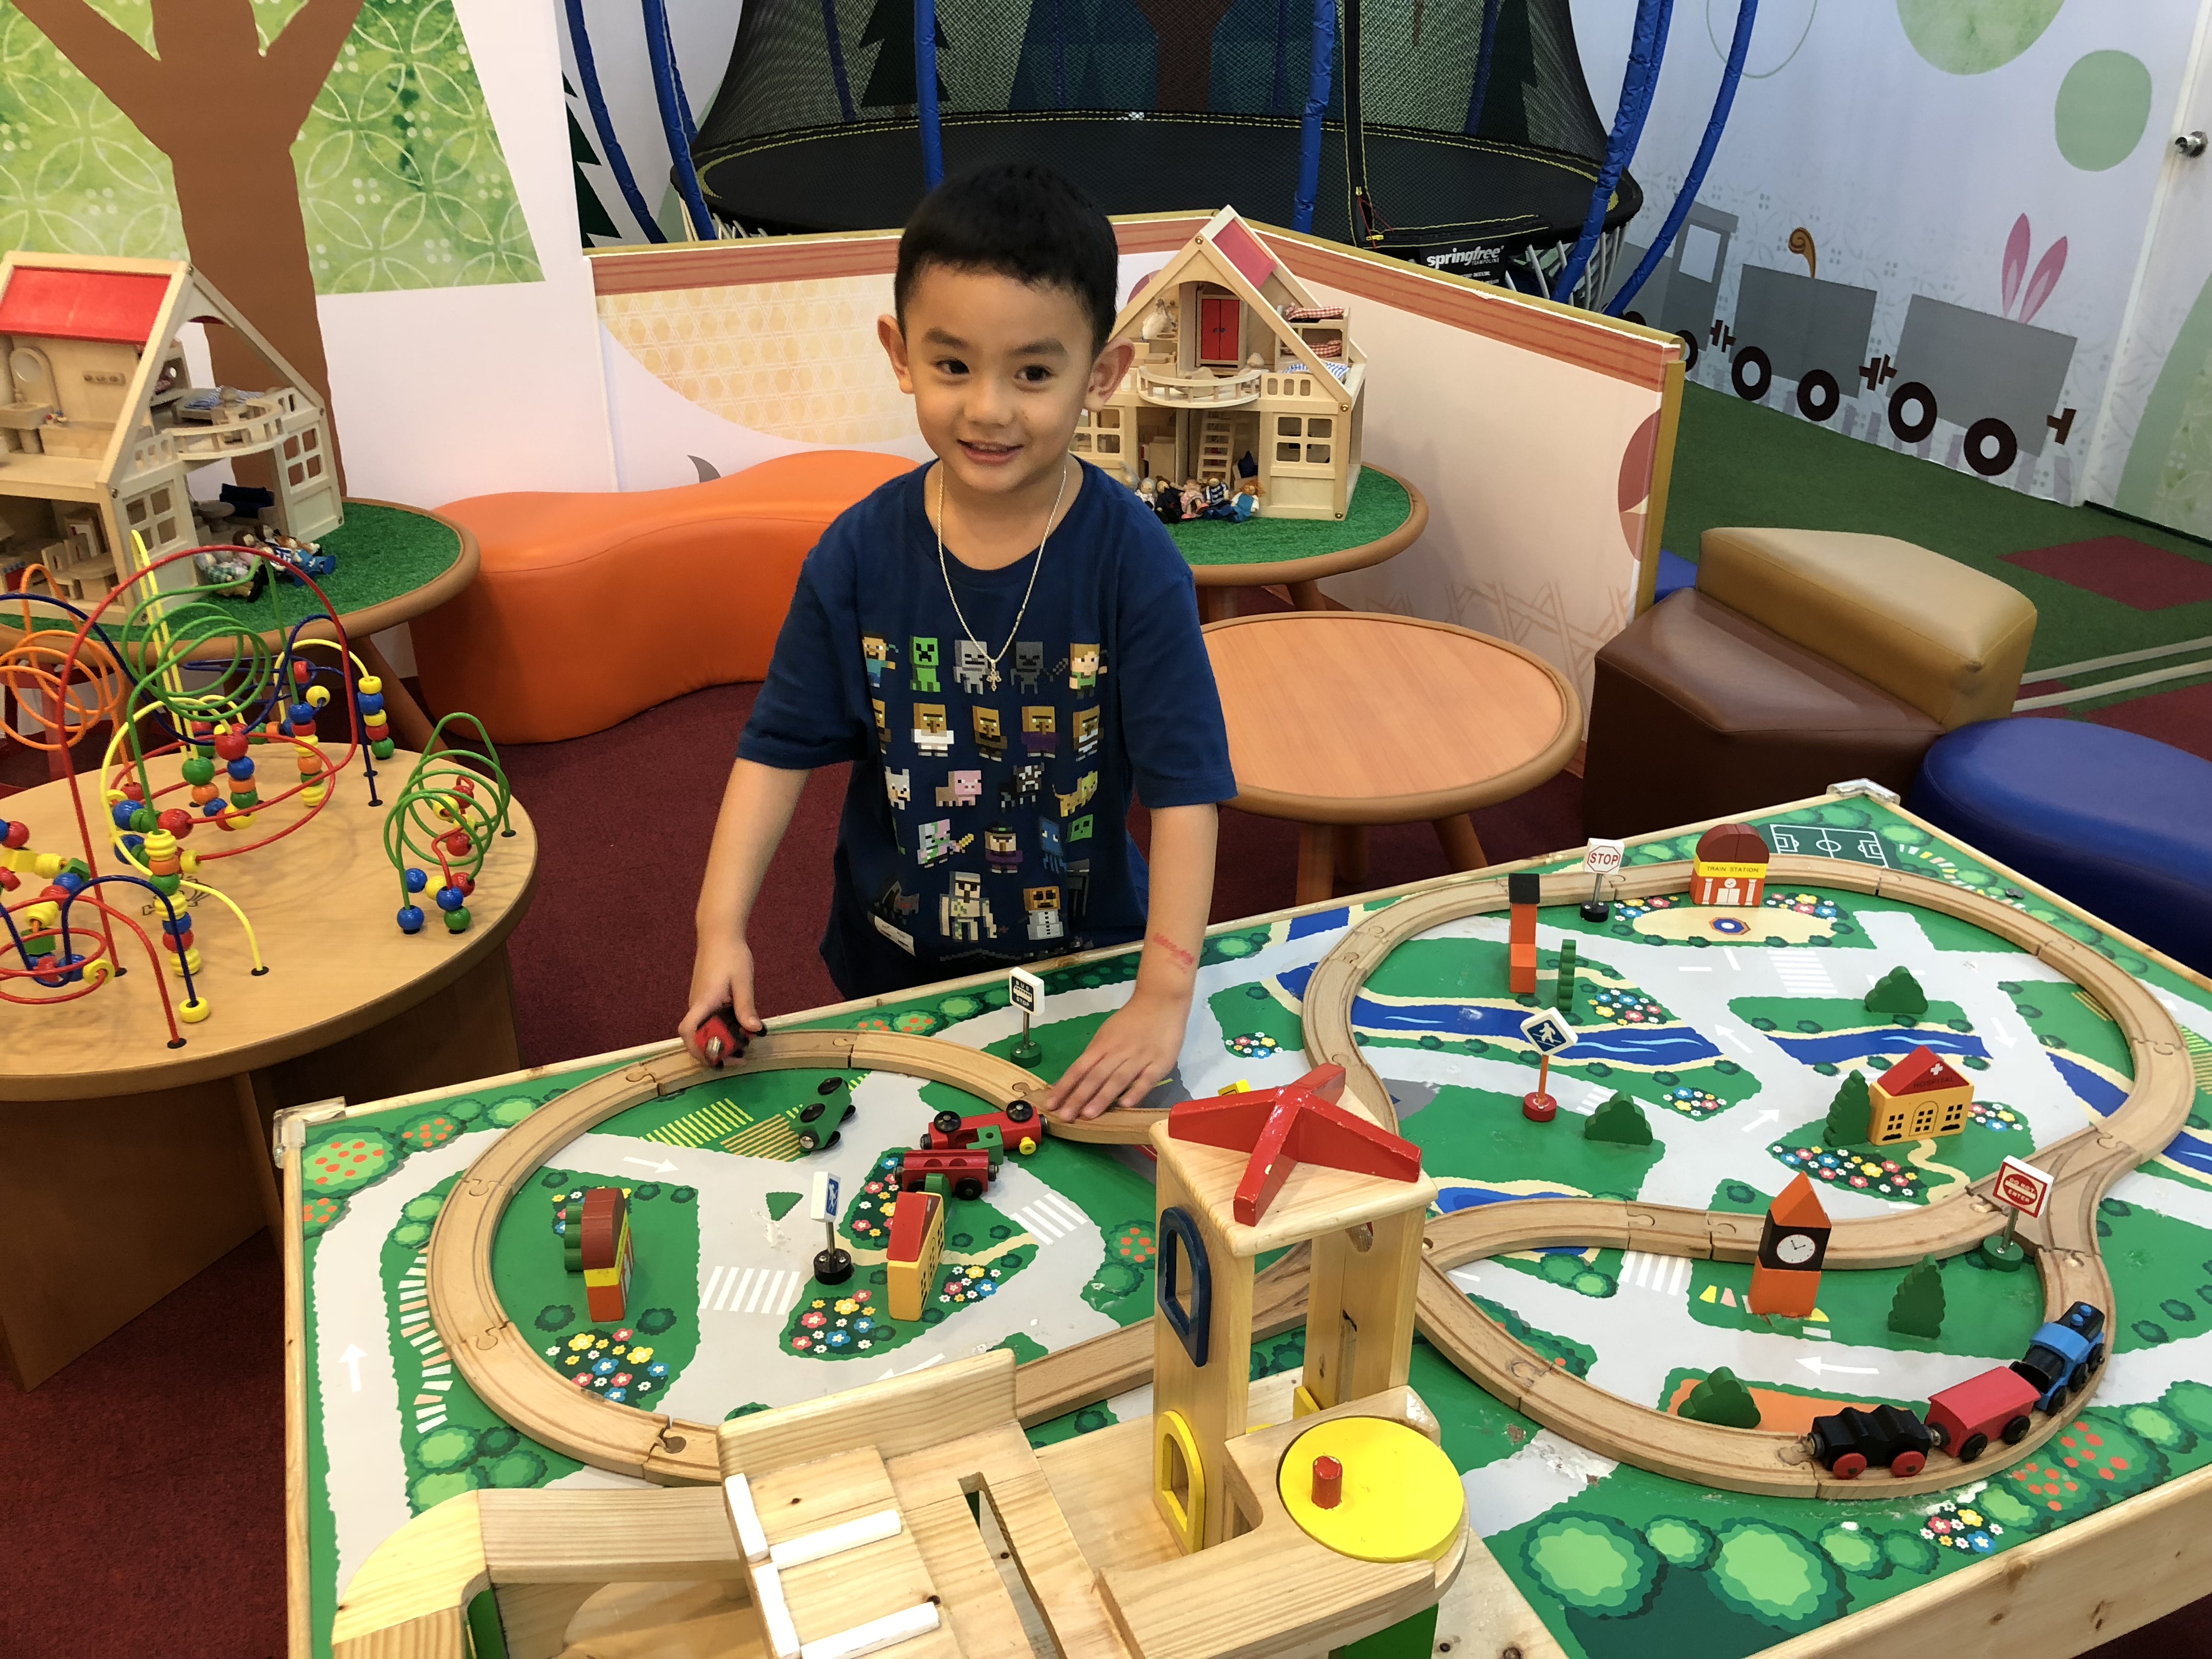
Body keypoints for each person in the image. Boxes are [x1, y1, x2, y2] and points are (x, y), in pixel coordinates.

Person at [680, 163, 1235, 1122]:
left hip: (1089, 967)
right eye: (953, 366)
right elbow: (776, 751)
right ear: (901, 355)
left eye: (1034, 373)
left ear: (1101, 375)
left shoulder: (1135, 562)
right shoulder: (856, 554)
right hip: (892, 965)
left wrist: (1163, 992)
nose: (988, 408)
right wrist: (717, 929)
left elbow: (1187, 793)